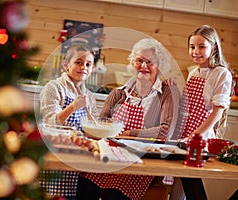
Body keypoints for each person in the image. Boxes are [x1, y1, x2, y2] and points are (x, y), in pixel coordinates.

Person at [76, 38, 181, 200]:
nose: (144, 66)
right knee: (85, 183)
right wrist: (108, 129)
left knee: (114, 195)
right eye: (139, 60)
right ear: (132, 63)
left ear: (159, 66)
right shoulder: (119, 93)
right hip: (111, 156)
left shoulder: (167, 93)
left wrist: (129, 133)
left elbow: (165, 130)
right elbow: (101, 122)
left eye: (150, 62)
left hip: (142, 162)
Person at [170, 25, 233, 200]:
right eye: (192, 47)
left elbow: (217, 112)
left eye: (201, 46)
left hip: (200, 136)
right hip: (185, 132)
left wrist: (195, 136)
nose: (195, 51)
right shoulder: (193, 73)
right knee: (180, 182)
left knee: (190, 181)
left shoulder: (221, 74)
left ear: (214, 48)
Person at [38, 43, 98, 200]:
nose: (83, 67)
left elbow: (92, 127)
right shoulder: (54, 88)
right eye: (78, 62)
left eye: (88, 64)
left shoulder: (89, 97)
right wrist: (73, 106)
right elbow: (50, 122)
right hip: (54, 154)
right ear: (66, 64)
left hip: (76, 157)